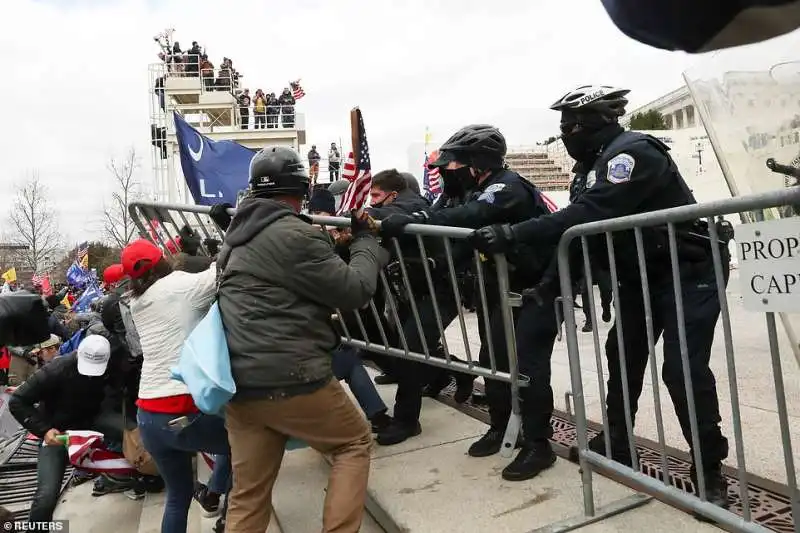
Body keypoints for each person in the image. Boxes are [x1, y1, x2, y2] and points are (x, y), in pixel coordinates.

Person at [469, 85, 731, 507]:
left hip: (688, 273)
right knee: (622, 358)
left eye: (568, 126)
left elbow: (592, 214)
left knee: (681, 369)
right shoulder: (589, 167)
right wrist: (550, 287)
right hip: (637, 277)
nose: (565, 134)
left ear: (592, 123)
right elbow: (579, 240)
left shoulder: (634, 152)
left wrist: (514, 232)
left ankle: (709, 469)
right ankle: (617, 440)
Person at [217, 146, 387, 533]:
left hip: (240, 384)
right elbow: (354, 289)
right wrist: (365, 244)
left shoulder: (236, 235)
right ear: (302, 186)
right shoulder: (297, 234)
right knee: (352, 443)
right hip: (292, 376)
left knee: (248, 493)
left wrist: (335, 246)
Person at [379, 125, 560, 480]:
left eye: (453, 164)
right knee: (491, 362)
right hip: (497, 292)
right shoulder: (469, 191)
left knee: (528, 368)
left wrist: (417, 219)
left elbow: (471, 216)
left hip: (536, 291)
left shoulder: (506, 187)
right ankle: (500, 427)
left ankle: (539, 445)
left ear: (477, 162)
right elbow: (453, 240)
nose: (447, 171)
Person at [121, 238, 231, 533]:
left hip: (148, 415)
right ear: (161, 261)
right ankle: (228, 520)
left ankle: (213, 499)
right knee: (242, 445)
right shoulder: (180, 286)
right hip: (180, 406)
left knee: (178, 497)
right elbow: (223, 269)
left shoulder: (136, 302)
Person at [9, 335, 122, 523]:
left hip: (94, 421)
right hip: (58, 432)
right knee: (46, 496)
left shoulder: (113, 364)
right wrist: (44, 430)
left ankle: (152, 477)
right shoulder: (56, 370)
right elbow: (17, 401)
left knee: (134, 434)